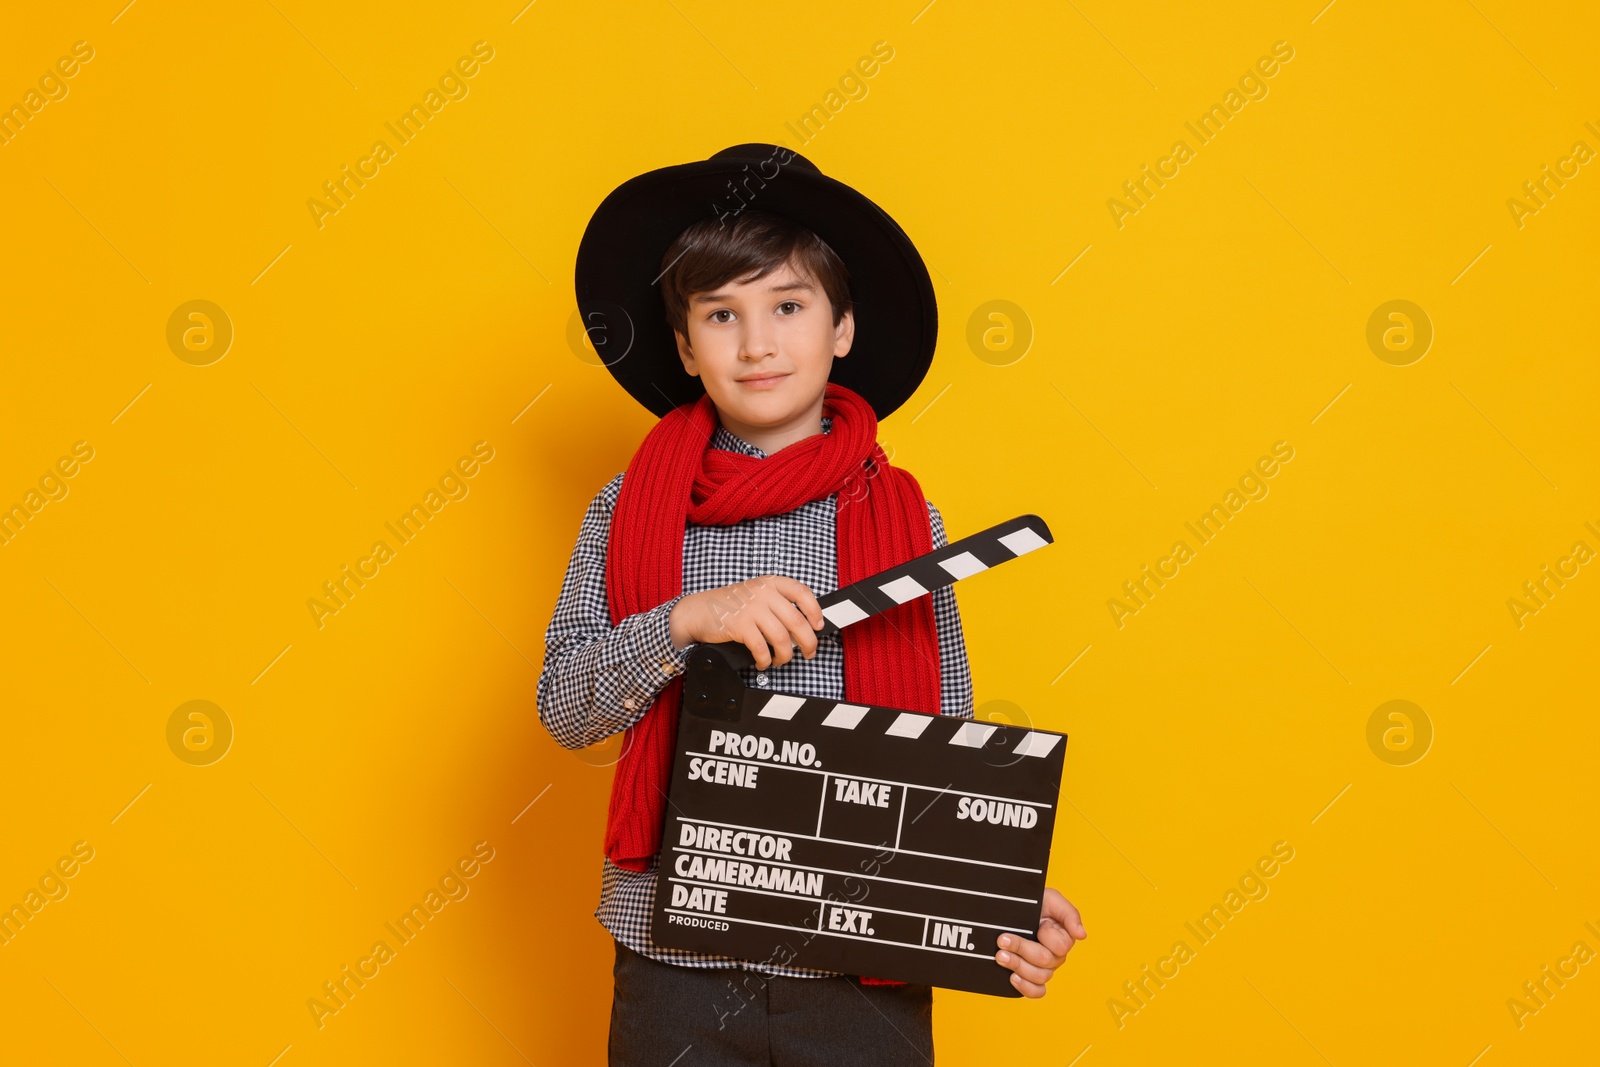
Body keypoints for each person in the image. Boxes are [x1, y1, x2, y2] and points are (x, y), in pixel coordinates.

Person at [539, 143, 1086, 1065]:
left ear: (840, 329)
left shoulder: (910, 520)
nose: (757, 344)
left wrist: (992, 886)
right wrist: (682, 622)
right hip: (675, 953)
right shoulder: (625, 508)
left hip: (858, 959)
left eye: (788, 306)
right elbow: (565, 708)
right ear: (684, 344)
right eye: (722, 315)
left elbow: (941, 737)